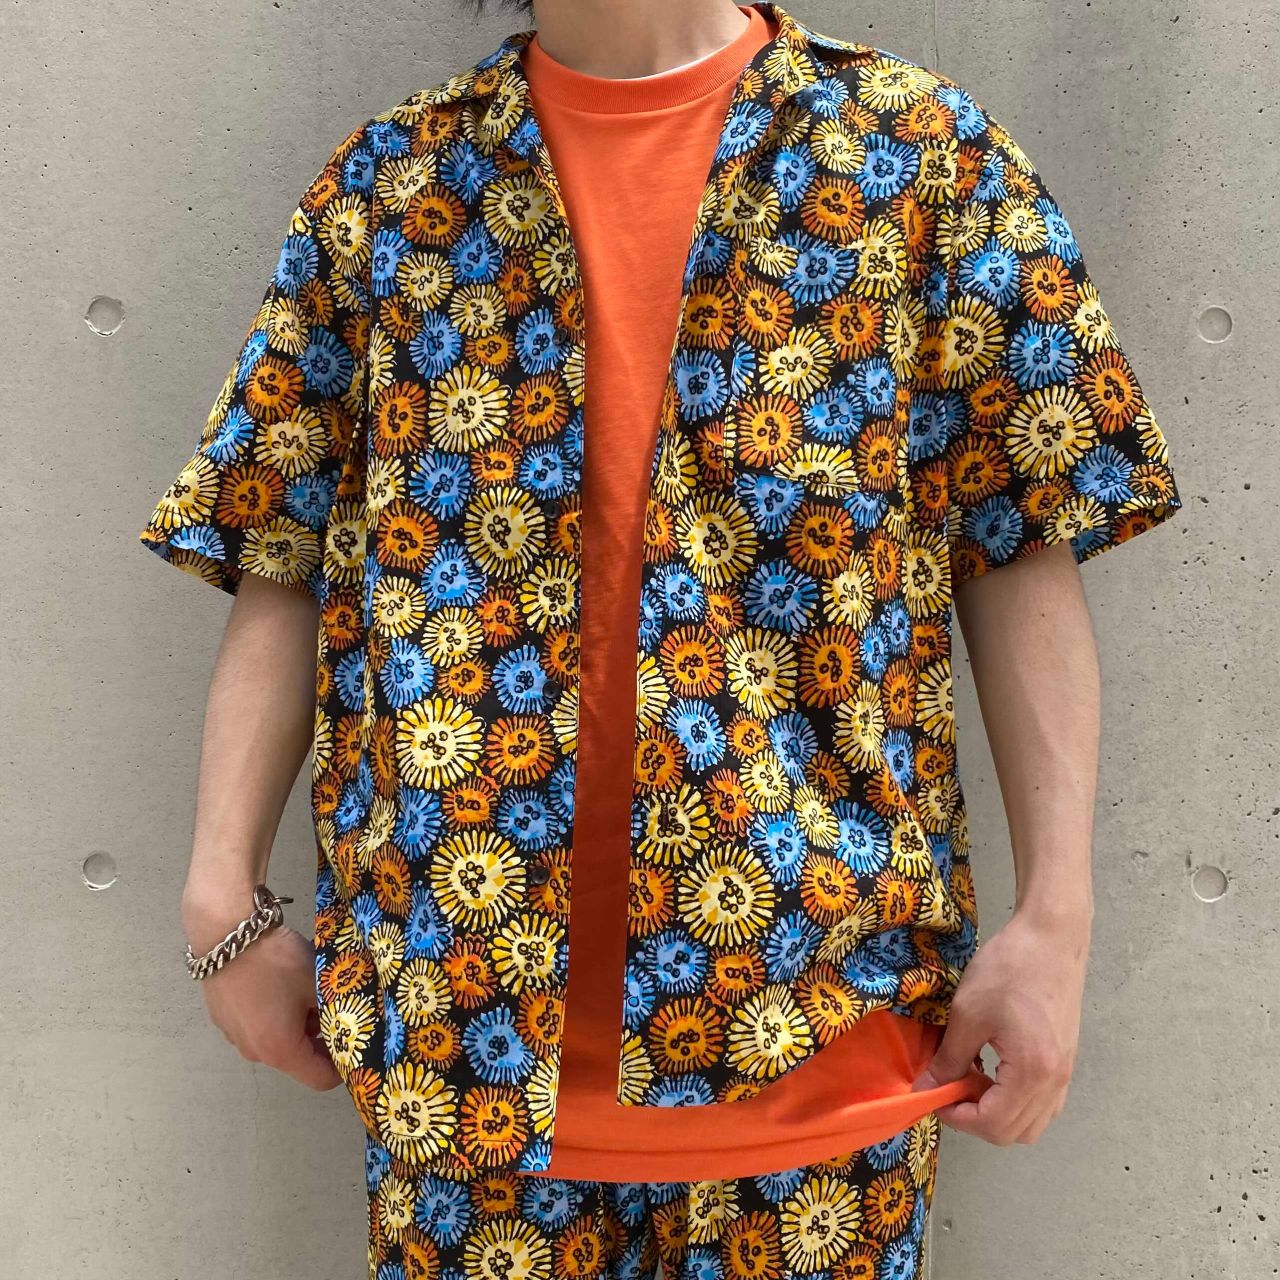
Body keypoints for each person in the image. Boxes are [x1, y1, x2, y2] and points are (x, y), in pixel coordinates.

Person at [137, 1, 1183, 1276]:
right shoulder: (393, 186)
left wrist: (1055, 920)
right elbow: (281, 548)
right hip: (461, 1085)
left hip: (823, 1064)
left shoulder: (917, 156)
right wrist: (221, 892)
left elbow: (1019, 535)